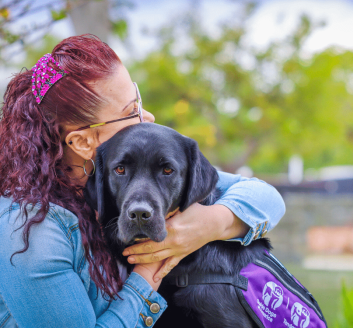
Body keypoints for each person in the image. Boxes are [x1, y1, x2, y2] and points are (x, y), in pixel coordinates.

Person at [0, 34, 285, 327]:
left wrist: (209, 224)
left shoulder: (126, 166)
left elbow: (264, 197)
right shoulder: (29, 232)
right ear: (83, 142)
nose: (147, 117)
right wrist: (148, 272)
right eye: (130, 111)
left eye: (138, 100)